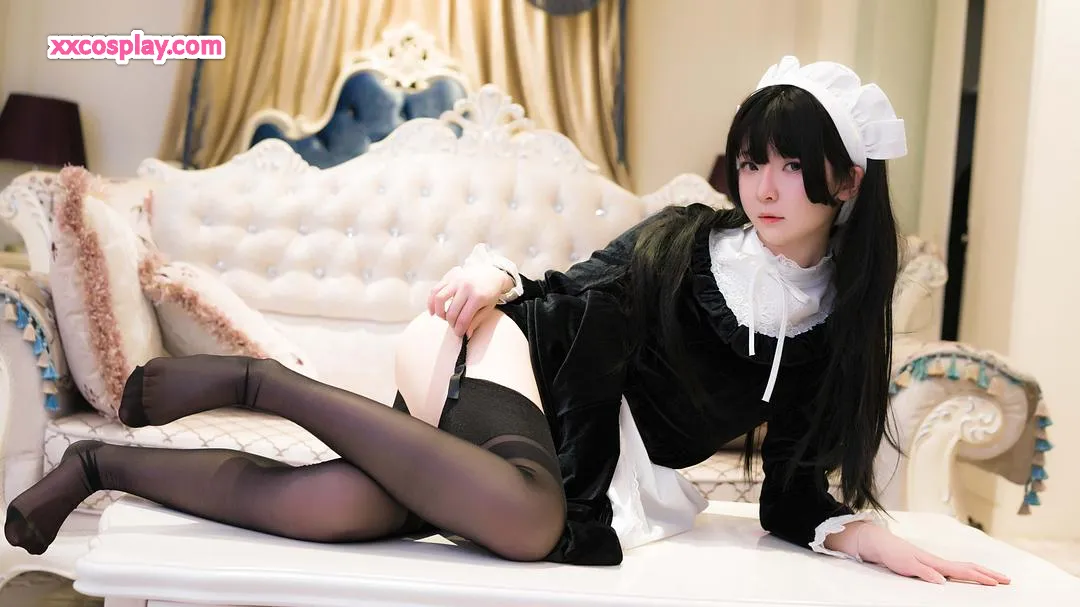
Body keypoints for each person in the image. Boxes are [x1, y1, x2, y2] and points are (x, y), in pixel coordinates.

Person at [5, 56, 1009, 586]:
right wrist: (496, 274)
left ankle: (98, 465)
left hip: (590, 455)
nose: (764, 186)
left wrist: (864, 537)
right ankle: (255, 381)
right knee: (531, 521)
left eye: (790, 165)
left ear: (849, 178)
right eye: (753, 161)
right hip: (504, 352)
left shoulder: (836, 327)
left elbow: (791, 490)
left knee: (346, 509)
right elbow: (574, 297)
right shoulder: (690, 242)